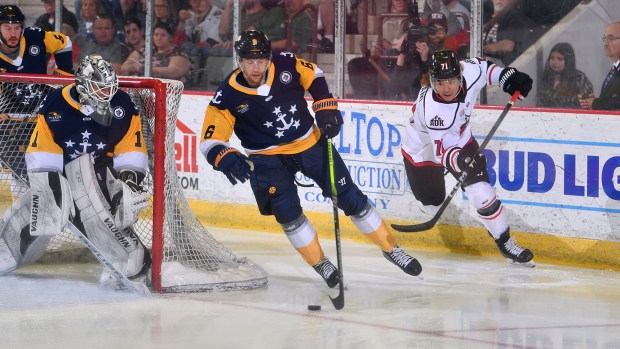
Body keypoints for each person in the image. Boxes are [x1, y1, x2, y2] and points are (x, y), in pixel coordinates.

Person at [199, 30, 422, 287]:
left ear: (268, 58)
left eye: (261, 60)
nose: (256, 67)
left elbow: (313, 74)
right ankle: (320, 262)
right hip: (265, 156)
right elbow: (210, 140)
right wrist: (223, 156)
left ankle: (391, 249)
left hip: (309, 142)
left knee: (348, 195)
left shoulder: (285, 62)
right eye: (249, 62)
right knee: (286, 211)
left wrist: (325, 104)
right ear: (240, 61)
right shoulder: (227, 95)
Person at [0, 55, 151, 287]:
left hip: (100, 173)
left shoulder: (123, 105)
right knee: (35, 217)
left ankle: (127, 265)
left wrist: (130, 181)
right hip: (60, 174)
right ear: (82, 86)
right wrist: (49, 188)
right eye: (98, 88)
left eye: (109, 88)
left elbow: (131, 146)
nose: (105, 94)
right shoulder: (56, 104)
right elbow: (42, 149)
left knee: (103, 218)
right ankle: (6, 252)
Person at [401, 49, 535, 265]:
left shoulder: (469, 72)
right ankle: (428, 196)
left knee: (481, 192)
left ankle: (505, 241)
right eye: (440, 82)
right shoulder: (434, 109)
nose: (446, 88)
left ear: (460, 76)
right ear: (432, 81)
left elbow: (485, 68)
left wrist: (507, 78)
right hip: (422, 151)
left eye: (451, 81)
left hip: (461, 138)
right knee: (432, 201)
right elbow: (444, 152)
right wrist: (461, 160)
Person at [390, 11, 450, 101]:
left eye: (441, 30)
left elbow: (440, 85)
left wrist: (425, 60)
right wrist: (403, 53)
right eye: (432, 30)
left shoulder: (449, 55)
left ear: (446, 33)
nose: (437, 34)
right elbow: (395, 84)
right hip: (410, 102)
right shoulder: (416, 49)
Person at [121, 22, 191, 81]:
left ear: (170, 38)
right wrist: (134, 67)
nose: (159, 38)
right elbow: (124, 67)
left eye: (163, 35)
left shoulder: (178, 53)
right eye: (156, 35)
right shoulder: (145, 49)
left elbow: (174, 71)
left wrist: (147, 69)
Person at [537, 42, 593, 109]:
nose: (555, 62)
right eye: (552, 58)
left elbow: (587, 106)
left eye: (559, 59)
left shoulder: (580, 79)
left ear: (568, 60)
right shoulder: (546, 78)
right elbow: (539, 105)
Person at [579, 22, 620, 110]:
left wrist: (595, 103)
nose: (605, 43)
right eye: (604, 38)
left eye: (611, 38)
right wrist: (593, 101)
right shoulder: (615, 67)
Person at [482, 0, 534, 66]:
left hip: (500, 63)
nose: (499, 0)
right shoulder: (484, 16)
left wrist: (483, 49)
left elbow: (507, 45)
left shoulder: (515, 19)